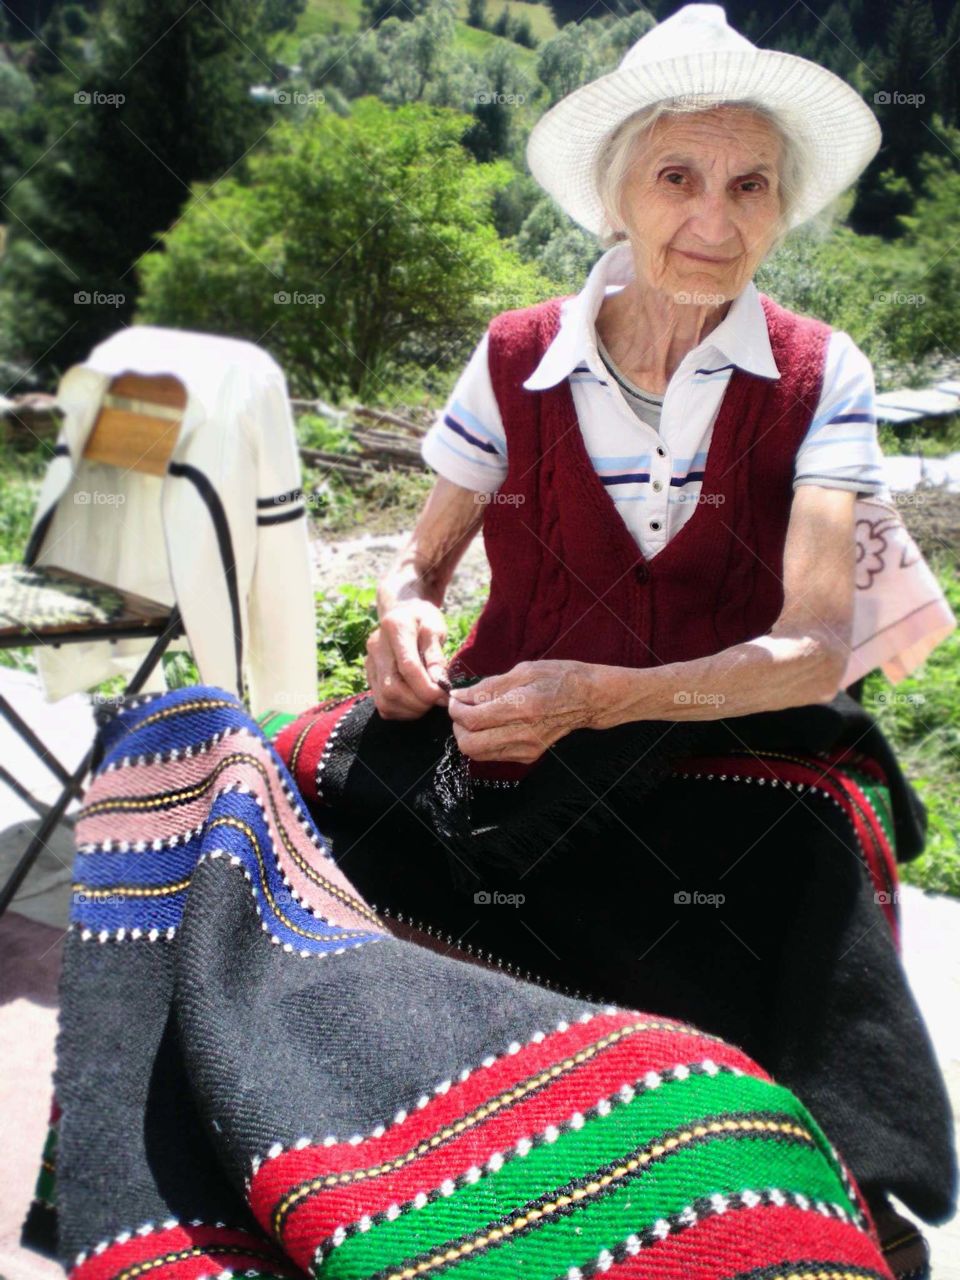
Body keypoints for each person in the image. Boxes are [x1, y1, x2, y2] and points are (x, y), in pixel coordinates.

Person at [270, 7, 958, 1275]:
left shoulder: (820, 371)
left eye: (751, 184)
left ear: (783, 206)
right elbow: (424, 556)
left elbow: (813, 643)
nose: (716, 217)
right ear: (617, 194)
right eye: (677, 176)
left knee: (798, 853)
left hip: (720, 722)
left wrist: (605, 697)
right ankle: (386, 1119)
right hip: (517, 706)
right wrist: (403, 616)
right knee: (285, 786)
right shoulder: (518, 353)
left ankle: (772, 1168)